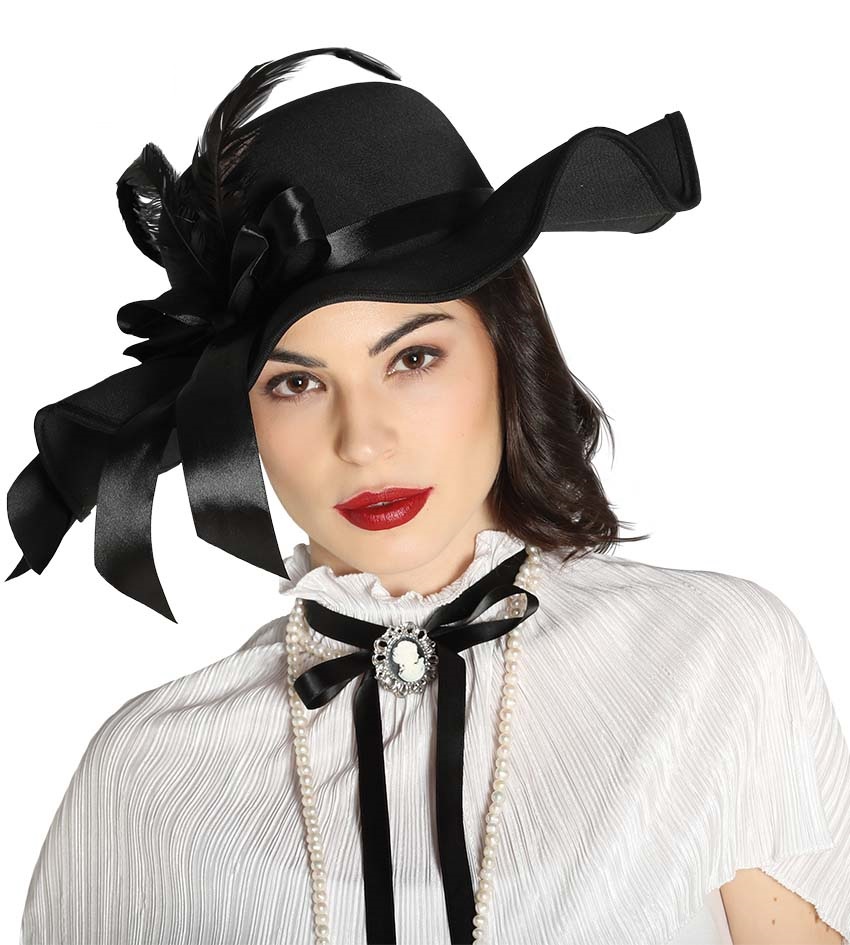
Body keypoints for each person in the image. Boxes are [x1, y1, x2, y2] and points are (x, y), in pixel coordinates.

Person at [9, 47, 849, 945]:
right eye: (297, 382)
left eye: (413, 358)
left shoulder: (714, 662)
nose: (363, 440)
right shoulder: (145, 779)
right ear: (238, 418)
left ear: (507, 354)